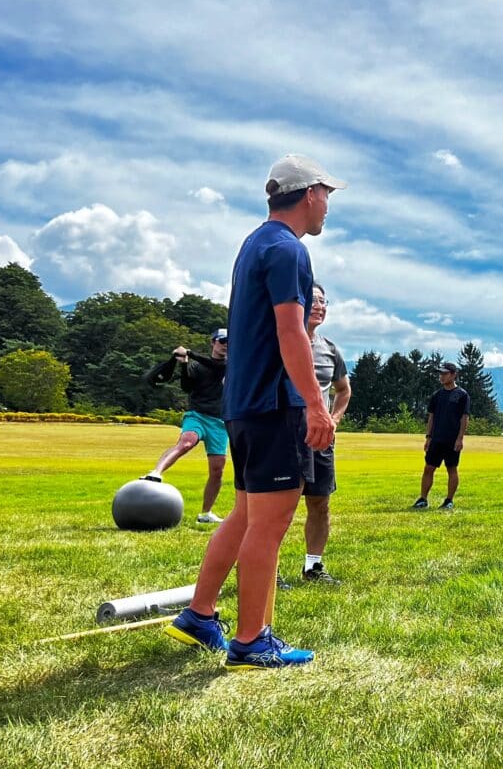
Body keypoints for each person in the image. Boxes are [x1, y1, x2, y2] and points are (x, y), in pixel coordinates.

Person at [164, 154, 343, 670]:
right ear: (309, 194)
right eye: (327, 195)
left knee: (246, 515)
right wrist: (315, 404)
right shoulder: (288, 250)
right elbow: (291, 331)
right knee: (272, 522)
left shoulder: (255, 243)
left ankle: (200, 615)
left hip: (242, 405)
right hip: (273, 404)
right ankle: (251, 640)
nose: (328, 207)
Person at [141, 330, 229, 523]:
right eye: (222, 341)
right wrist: (183, 364)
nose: (226, 344)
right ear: (213, 342)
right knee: (186, 443)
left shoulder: (231, 365)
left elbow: (216, 367)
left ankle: (206, 514)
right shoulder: (197, 367)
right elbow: (187, 387)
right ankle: (155, 473)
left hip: (220, 422)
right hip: (197, 415)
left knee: (217, 470)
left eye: (229, 341)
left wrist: (189, 352)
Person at [299, 282, 351, 583]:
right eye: (313, 299)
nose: (319, 305)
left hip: (320, 439)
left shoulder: (330, 349)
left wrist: (334, 420)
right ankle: (268, 567)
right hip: (286, 434)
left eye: (323, 301)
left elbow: (344, 391)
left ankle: (313, 567)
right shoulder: (280, 340)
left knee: (320, 502)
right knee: (279, 504)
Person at [412, 362, 470, 510]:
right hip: (436, 439)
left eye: (445, 374)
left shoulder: (462, 395)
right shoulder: (437, 395)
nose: (441, 377)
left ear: (453, 374)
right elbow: (431, 417)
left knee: (452, 468)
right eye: (440, 374)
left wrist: (460, 438)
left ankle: (449, 500)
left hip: (452, 440)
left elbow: (464, 418)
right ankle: (423, 499)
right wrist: (428, 437)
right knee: (428, 468)